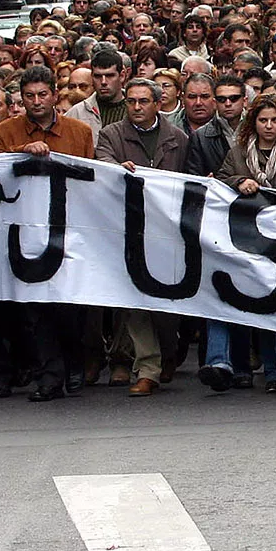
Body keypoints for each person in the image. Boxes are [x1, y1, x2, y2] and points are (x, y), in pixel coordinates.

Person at [0, 64, 97, 401]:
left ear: (54, 95)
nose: (36, 101)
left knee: (69, 307)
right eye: (29, 96)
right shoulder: (7, 131)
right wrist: (21, 150)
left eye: (42, 95)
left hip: (69, 230)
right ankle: (49, 377)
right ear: (21, 98)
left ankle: (74, 365)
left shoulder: (79, 131)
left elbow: (93, 177)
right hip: (24, 231)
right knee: (35, 310)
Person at [208, 94, 276, 395]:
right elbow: (221, 179)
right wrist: (239, 181)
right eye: (263, 120)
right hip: (246, 241)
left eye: (275, 120)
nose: (269, 126)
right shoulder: (238, 152)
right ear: (253, 122)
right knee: (254, 306)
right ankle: (270, 372)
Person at [96, 78, 191, 397]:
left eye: (143, 102)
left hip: (166, 232)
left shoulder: (176, 138)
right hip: (126, 228)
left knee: (167, 302)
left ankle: (168, 353)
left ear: (157, 103)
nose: (136, 107)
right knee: (135, 300)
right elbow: (102, 162)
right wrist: (115, 168)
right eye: (131, 102)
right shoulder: (112, 134)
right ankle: (147, 368)